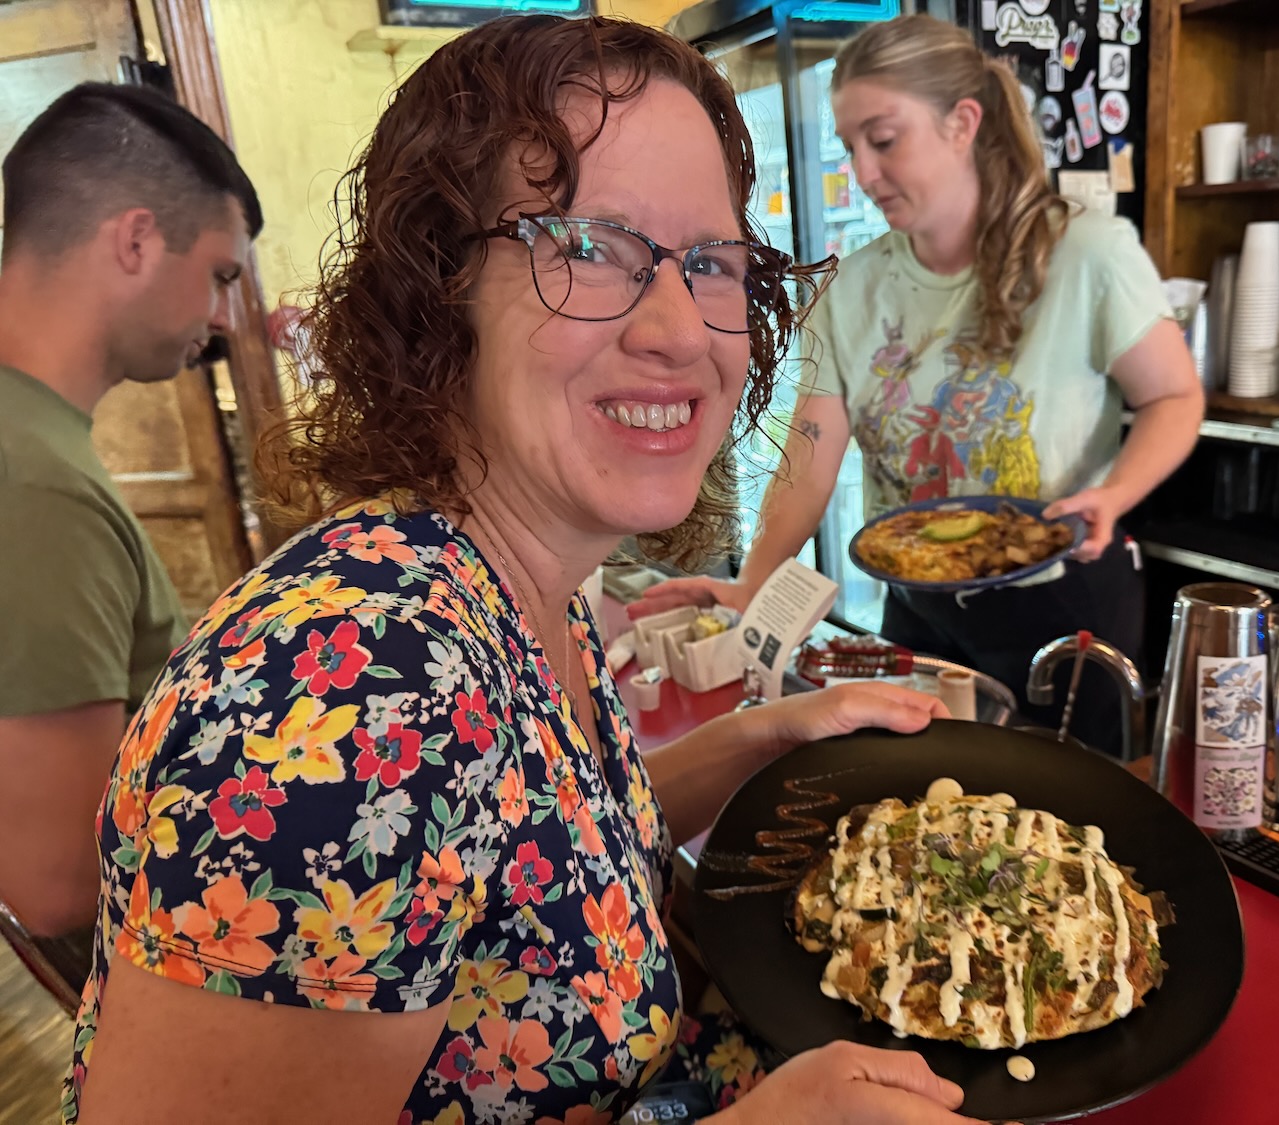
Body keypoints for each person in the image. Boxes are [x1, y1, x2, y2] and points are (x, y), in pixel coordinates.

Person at [65, 16, 980, 1125]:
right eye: (587, 247)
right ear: (435, 290)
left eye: (710, 262)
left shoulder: (505, 585)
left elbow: (544, 855)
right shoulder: (343, 690)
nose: (679, 329)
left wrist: (765, 735)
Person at [634, 14, 1204, 755]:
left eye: (884, 139)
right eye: (850, 147)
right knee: (929, 798)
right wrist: (756, 585)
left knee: (1072, 807)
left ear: (962, 123)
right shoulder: (854, 287)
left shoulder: (1086, 252)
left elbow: (1174, 397)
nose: (864, 173)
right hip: (918, 606)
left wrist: (1116, 493)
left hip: (1063, 606)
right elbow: (810, 456)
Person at [0, 82, 261, 988]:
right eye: (221, 275)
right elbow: (55, 883)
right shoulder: (32, 479)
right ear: (138, 240)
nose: (224, 318)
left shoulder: (34, 439)